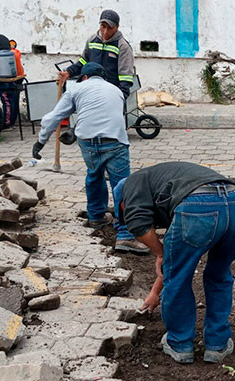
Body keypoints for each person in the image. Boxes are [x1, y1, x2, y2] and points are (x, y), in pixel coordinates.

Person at [112, 162, 235, 364]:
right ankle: (218, 345)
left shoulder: (131, 184)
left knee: (179, 280)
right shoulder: (167, 184)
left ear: (122, 202)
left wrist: (160, 253)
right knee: (219, 276)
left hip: (199, 207)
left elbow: (138, 224)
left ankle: (180, 344)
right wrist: (154, 293)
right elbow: (172, 264)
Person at [32, 62, 148, 254]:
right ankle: (126, 236)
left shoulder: (76, 88)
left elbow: (53, 117)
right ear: (103, 77)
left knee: (95, 176)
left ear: (84, 77)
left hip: (88, 141)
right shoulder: (116, 90)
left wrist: (40, 142)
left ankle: (96, 216)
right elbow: (106, 115)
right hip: (115, 141)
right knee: (122, 186)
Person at [58, 10, 135, 99]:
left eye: (110, 28)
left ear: (117, 27)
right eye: (103, 26)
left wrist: (119, 98)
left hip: (110, 95)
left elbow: (125, 77)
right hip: (90, 93)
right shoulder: (92, 40)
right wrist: (68, 72)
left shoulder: (122, 46)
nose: (105, 32)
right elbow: (83, 62)